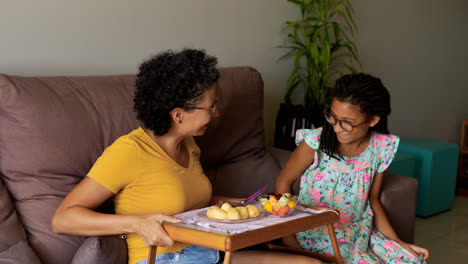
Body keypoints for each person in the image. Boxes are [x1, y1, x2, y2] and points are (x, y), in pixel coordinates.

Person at [51, 49, 322, 264]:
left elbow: (189, 206)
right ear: (178, 114)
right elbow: (63, 218)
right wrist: (137, 222)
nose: (216, 114)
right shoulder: (128, 152)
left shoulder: (190, 145)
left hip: (207, 252)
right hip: (162, 258)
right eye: (211, 107)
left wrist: (249, 204)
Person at [276, 73, 430, 264]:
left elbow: (372, 200)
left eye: (348, 122)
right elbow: (284, 182)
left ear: (373, 120)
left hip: (358, 234)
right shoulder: (315, 142)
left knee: (413, 260)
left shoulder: (380, 148)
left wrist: (398, 242)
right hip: (313, 233)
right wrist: (288, 237)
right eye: (333, 116)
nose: (337, 128)